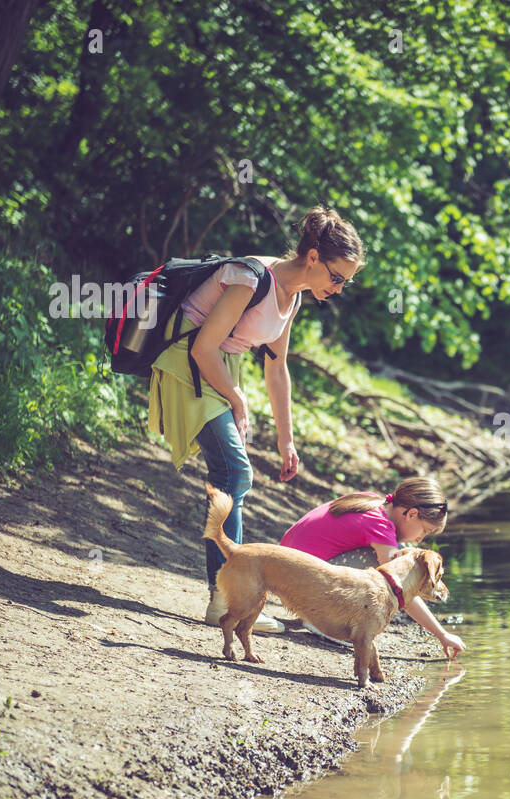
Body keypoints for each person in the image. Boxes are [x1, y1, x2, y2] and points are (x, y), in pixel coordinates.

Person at [146, 205, 365, 633]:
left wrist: (287, 440)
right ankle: (226, 599)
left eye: (347, 282)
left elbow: (276, 367)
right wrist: (237, 399)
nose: (339, 288)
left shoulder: (294, 297)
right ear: (314, 257)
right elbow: (202, 348)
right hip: (189, 368)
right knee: (233, 471)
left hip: (220, 373)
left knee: (232, 477)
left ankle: (227, 595)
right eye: (337, 276)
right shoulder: (251, 279)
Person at [280, 477, 466, 658]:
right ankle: (321, 622)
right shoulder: (380, 527)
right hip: (299, 585)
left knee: (396, 556)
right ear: (412, 514)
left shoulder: (373, 501)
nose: (420, 539)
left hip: (286, 572)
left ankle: (320, 616)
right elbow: (400, 586)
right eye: (425, 530)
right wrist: (442, 634)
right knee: (390, 567)